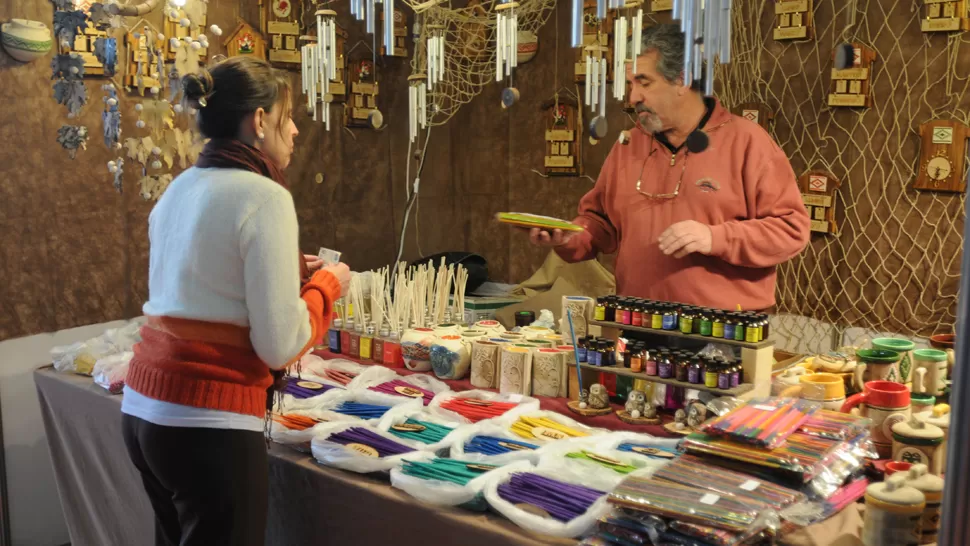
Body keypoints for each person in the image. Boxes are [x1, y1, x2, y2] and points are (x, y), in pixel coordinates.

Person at [120, 56, 351, 546]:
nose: (294, 132)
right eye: (288, 117)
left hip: (145, 410)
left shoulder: (182, 186)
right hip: (205, 420)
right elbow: (279, 344)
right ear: (259, 120)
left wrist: (292, 274)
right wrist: (324, 288)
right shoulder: (264, 197)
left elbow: (204, 285)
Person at [529, 24, 810, 311]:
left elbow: (790, 230)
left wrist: (715, 237)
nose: (632, 98)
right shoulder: (628, 145)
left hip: (723, 334)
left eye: (644, 82)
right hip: (638, 323)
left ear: (682, 80)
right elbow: (599, 224)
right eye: (629, 85)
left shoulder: (748, 142)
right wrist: (566, 237)